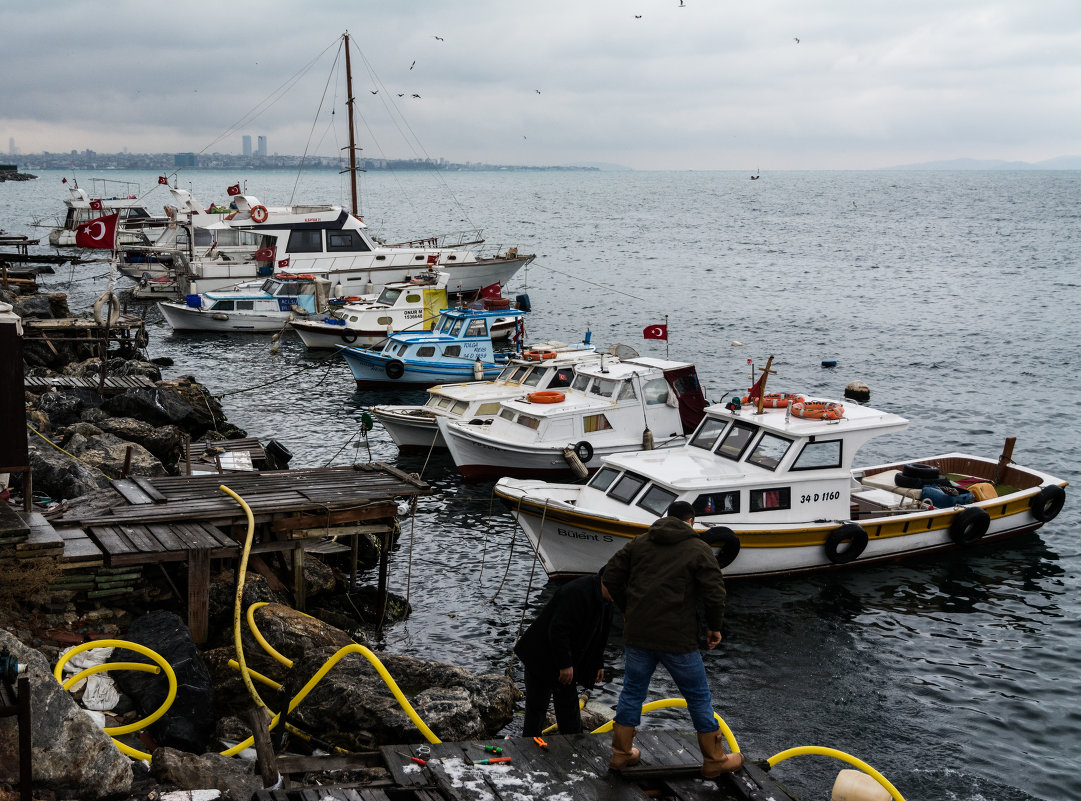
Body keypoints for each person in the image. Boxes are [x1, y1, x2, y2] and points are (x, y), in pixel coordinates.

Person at [602, 500, 743, 778]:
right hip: (678, 639)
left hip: (639, 635)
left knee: (632, 692)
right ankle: (714, 759)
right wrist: (714, 628)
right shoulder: (698, 548)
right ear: (691, 521)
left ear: (666, 517)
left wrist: (627, 608)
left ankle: (620, 754)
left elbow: (610, 577)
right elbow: (715, 593)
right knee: (698, 697)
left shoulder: (640, 543)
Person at [513, 569, 613, 737]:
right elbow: (558, 629)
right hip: (541, 655)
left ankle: (574, 744)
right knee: (537, 708)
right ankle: (529, 746)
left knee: (568, 707)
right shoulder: (576, 592)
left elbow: (600, 634)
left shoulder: (607, 600)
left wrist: (598, 663)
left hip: (567, 656)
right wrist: (565, 664)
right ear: (606, 582)